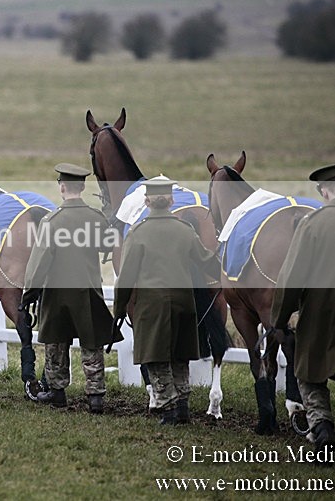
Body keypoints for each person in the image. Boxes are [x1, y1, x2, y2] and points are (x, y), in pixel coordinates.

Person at [271, 163, 335, 468]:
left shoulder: (312, 223)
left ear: (324, 192)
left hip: (318, 317)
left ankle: (322, 429)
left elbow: (291, 279)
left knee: (307, 375)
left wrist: (278, 321)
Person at [113, 179, 219, 425]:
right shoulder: (185, 230)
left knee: (156, 356)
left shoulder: (138, 233)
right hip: (184, 303)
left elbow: (126, 277)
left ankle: (168, 407)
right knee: (180, 355)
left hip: (151, 305)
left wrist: (119, 309)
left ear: (147, 202)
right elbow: (207, 261)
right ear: (171, 201)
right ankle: (182, 405)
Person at [22, 163, 120, 414]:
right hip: (88, 290)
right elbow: (108, 246)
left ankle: (56, 393)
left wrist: (30, 292)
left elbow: (40, 260)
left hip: (57, 293)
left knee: (56, 343)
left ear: (62, 187)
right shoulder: (95, 218)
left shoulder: (51, 221)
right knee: (92, 343)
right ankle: (96, 397)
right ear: (83, 186)